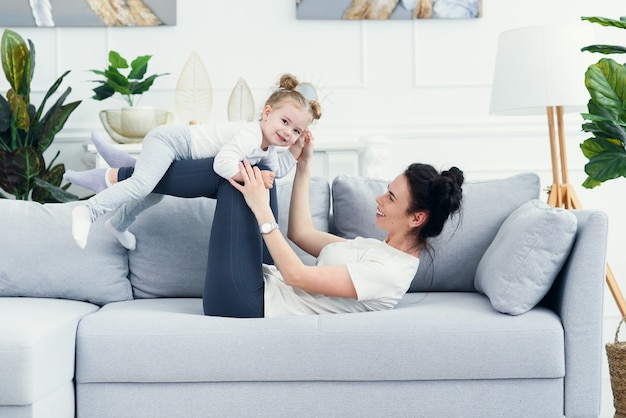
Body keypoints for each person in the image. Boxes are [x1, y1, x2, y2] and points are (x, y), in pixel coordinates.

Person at [94, 132, 464, 318]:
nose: (379, 200)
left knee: (239, 177)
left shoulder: (389, 273)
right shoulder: (378, 249)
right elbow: (303, 234)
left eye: (392, 198)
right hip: (258, 282)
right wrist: (303, 165)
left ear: (418, 218)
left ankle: (127, 174)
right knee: (262, 170)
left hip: (246, 303)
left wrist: (261, 210)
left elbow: (298, 278)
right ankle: (135, 174)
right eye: (386, 191)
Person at [70, 73, 321, 250]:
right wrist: (250, 176)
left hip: (181, 153)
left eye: (297, 131)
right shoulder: (251, 135)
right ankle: (88, 210)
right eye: (285, 122)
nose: (289, 133)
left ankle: (118, 223)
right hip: (170, 142)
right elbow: (221, 164)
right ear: (267, 113)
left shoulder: (268, 149)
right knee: (143, 184)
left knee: (154, 194)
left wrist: (298, 152)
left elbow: (277, 172)